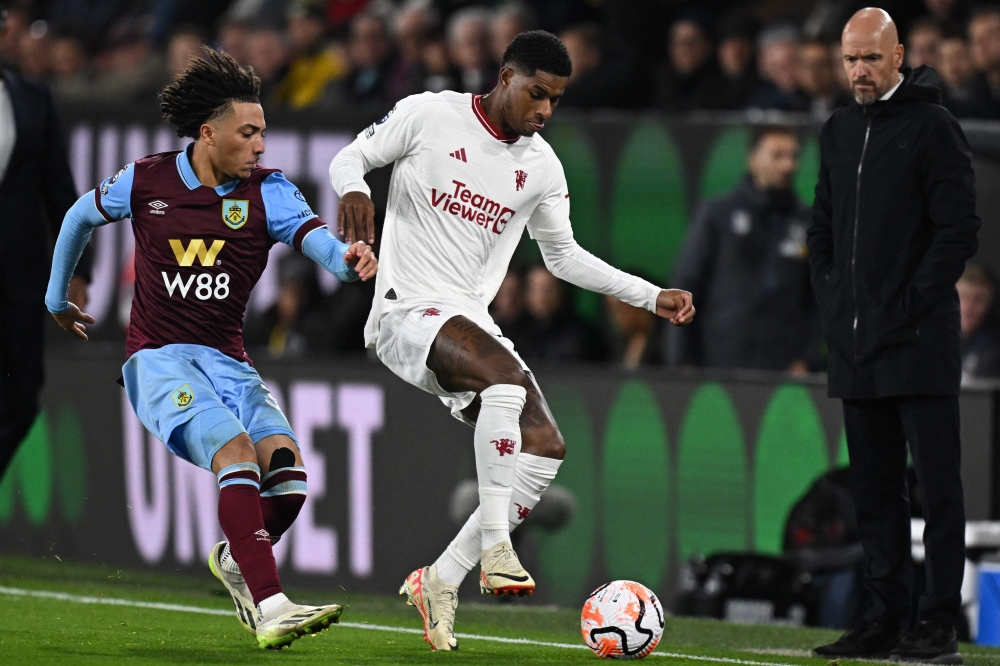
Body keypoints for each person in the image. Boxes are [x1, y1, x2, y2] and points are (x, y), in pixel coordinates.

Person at [329, 30, 694, 651]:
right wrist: (357, 190)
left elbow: (563, 257)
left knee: (546, 446)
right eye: (537, 94)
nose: (545, 111)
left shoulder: (540, 166)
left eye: (555, 100)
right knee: (503, 379)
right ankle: (497, 543)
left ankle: (440, 580)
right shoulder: (430, 114)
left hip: (468, 319)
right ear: (504, 77)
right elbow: (348, 158)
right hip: (404, 309)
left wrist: (647, 294)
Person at [45, 49, 377, 649]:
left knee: (289, 477)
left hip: (228, 361)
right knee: (237, 450)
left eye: (263, 134)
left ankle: (234, 561)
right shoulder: (145, 180)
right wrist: (55, 298)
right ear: (209, 132)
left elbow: (327, 250)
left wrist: (353, 263)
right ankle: (271, 603)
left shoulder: (270, 193)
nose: (259, 147)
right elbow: (76, 217)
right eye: (248, 134)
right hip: (156, 358)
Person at [809, 9, 980, 663]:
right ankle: (884, 619)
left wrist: (907, 309)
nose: (859, 69)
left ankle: (936, 623)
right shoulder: (838, 131)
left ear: (899, 55)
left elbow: (958, 231)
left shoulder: (934, 127)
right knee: (874, 493)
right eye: (850, 58)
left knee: (937, 491)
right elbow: (821, 229)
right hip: (856, 345)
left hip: (917, 341)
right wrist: (834, 308)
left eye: (871, 58)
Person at [0, 2, 92, 481]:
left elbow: (59, 190)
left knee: (23, 395)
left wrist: (79, 267)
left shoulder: (33, 99)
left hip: (17, 275)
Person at [669, 126, 818, 374]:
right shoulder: (717, 214)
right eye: (778, 156)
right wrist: (681, 358)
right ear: (753, 159)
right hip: (718, 360)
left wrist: (807, 359)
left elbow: (817, 299)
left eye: (793, 156)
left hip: (782, 367)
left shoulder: (808, 222)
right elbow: (686, 283)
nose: (788, 165)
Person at [958, 264, 1000, 381]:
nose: (968, 307)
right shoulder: (931, 339)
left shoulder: (994, 349)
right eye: (963, 297)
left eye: (979, 299)